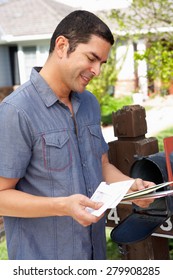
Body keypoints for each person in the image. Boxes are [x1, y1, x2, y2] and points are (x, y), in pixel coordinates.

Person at [0, 10, 154, 260]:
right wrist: (62, 206)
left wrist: (130, 187)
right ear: (62, 46)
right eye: (92, 58)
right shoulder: (16, 111)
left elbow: (101, 165)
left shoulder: (89, 103)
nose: (97, 71)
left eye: (102, 63)